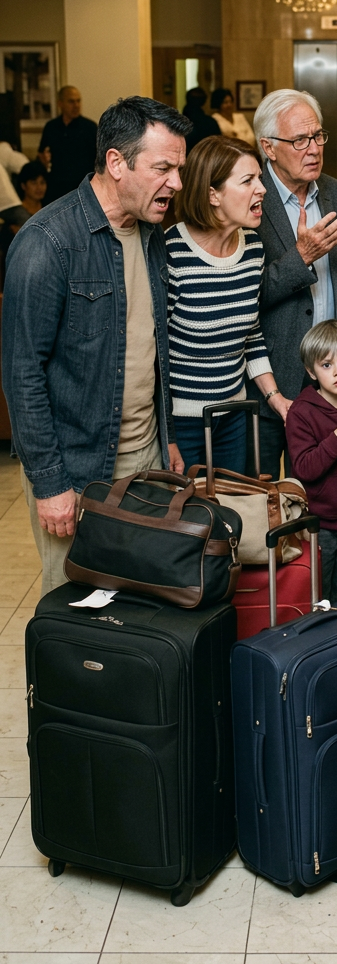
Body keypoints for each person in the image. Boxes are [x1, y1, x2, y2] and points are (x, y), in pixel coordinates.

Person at [2, 95, 188, 596]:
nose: (176, 182)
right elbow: (22, 374)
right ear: (116, 163)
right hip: (78, 472)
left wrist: (164, 434)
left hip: (145, 459)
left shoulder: (151, 235)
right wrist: (51, 483)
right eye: (163, 167)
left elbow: (151, 344)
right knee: (76, 621)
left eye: (179, 168)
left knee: (137, 610)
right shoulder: (47, 242)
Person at [252, 87, 337, 480]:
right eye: (300, 140)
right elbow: (245, 297)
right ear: (268, 147)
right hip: (273, 377)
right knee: (267, 497)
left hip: (329, 384)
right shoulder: (251, 198)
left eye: (318, 136)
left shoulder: (334, 191)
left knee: (321, 493)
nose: (313, 149)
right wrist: (299, 258)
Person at [165, 135, 291, 475]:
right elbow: (152, 352)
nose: (262, 189)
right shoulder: (172, 252)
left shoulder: (252, 248)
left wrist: (275, 398)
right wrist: (166, 433)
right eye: (248, 180)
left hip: (235, 419)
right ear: (212, 194)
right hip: (184, 425)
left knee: (231, 520)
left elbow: (251, 336)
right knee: (189, 523)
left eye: (260, 179)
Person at [286, 320, 337, 603]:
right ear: (311, 371)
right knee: (319, 596)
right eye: (326, 365)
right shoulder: (301, 413)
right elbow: (304, 468)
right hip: (319, 526)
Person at [40, 86, 98, 204]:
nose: (76, 105)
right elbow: (41, 152)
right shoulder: (51, 127)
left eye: (78, 101)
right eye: (71, 101)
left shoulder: (90, 127)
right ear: (60, 103)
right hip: (57, 186)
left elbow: (99, 158)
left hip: (82, 186)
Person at [183, 86, 221, 152]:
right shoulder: (210, 122)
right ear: (204, 103)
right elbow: (218, 145)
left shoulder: (178, 121)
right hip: (206, 158)